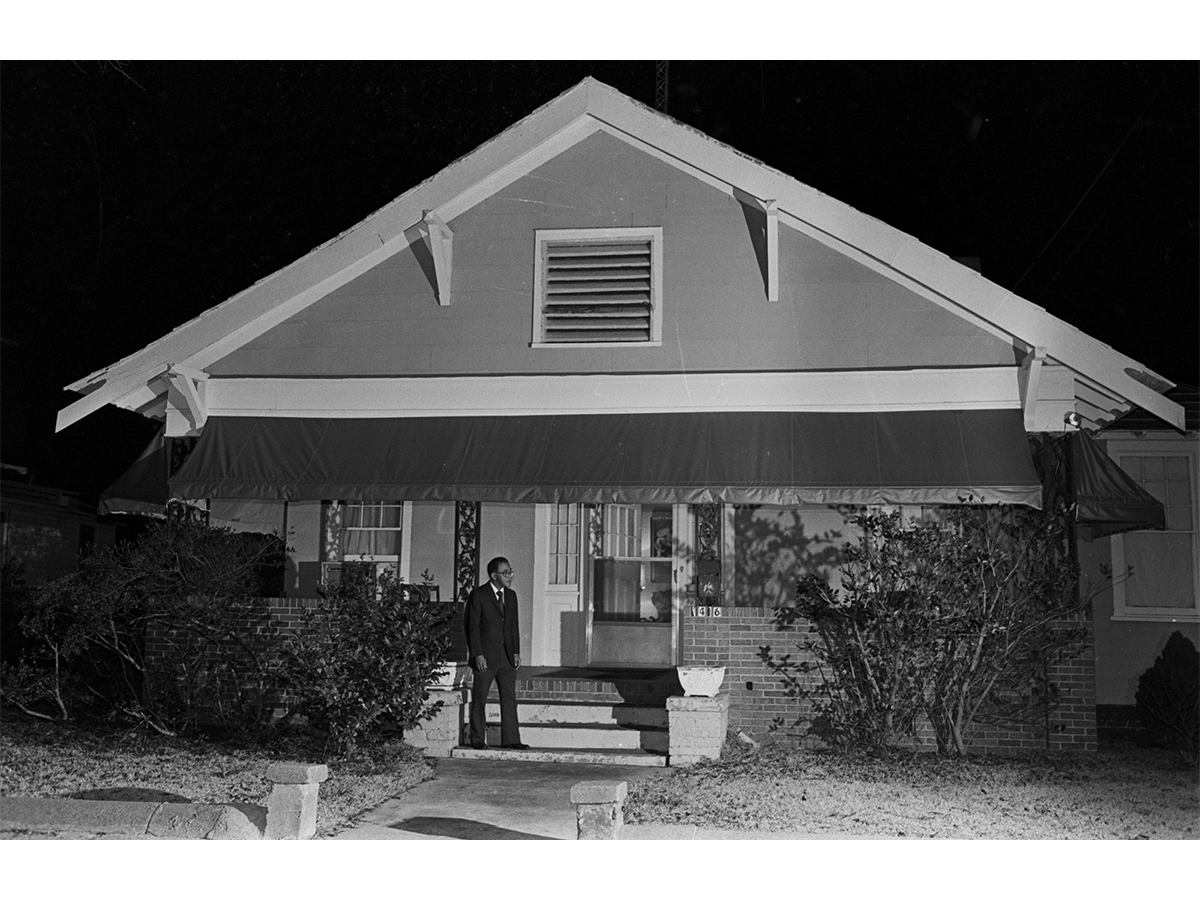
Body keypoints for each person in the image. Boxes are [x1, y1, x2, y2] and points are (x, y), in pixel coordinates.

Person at [465, 556, 528, 750]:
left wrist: (515, 651)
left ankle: (511, 739)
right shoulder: (478, 595)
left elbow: (513, 627)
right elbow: (472, 628)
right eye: (506, 573)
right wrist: (477, 654)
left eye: (511, 572)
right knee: (479, 698)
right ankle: (476, 739)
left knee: (509, 699)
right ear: (494, 576)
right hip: (485, 656)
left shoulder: (511, 596)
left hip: (507, 657)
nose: (510, 576)